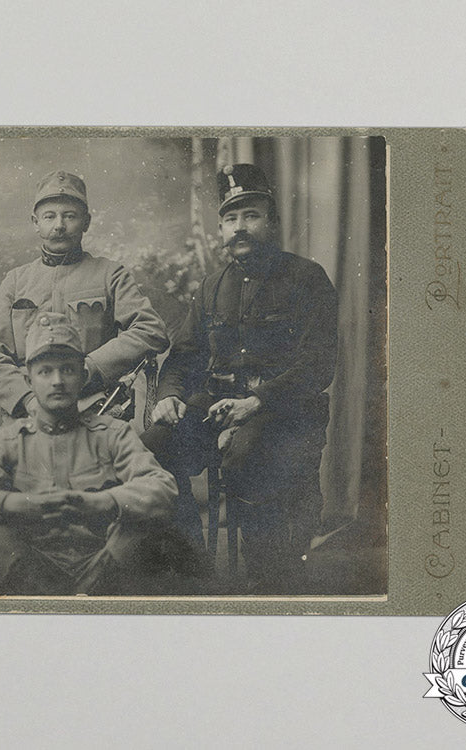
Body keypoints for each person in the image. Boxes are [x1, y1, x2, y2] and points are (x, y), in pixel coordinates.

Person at [141, 163, 339, 593]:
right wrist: (170, 395)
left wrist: (257, 402)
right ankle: (191, 563)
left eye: (250, 216)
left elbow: (318, 363)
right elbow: (184, 356)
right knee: (152, 449)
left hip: (284, 411)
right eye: (231, 219)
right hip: (218, 406)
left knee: (249, 457)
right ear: (221, 228)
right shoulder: (212, 287)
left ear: (271, 221)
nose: (240, 228)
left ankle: (266, 580)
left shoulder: (307, 279)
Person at [0, 313, 204, 595]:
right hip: (32, 570)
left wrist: (101, 502)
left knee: (139, 531)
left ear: (83, 376)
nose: (57, 381)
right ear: (28, 379)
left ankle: (84, 607)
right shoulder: (9, 440)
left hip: (104, 568)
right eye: (45, 371)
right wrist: (20, 503)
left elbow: (162, 488)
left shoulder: (113, 433)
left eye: (67, 370)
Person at [0, 170, 169, 420]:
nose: (59, 225)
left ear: (86, 222)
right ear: (36, 223)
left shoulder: (110, 274)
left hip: (94, 405)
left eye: (69, 216)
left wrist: (90, 368)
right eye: (49, 216)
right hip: (29, 410)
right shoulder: (16, 281)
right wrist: (26, 400)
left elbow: (151, 329)